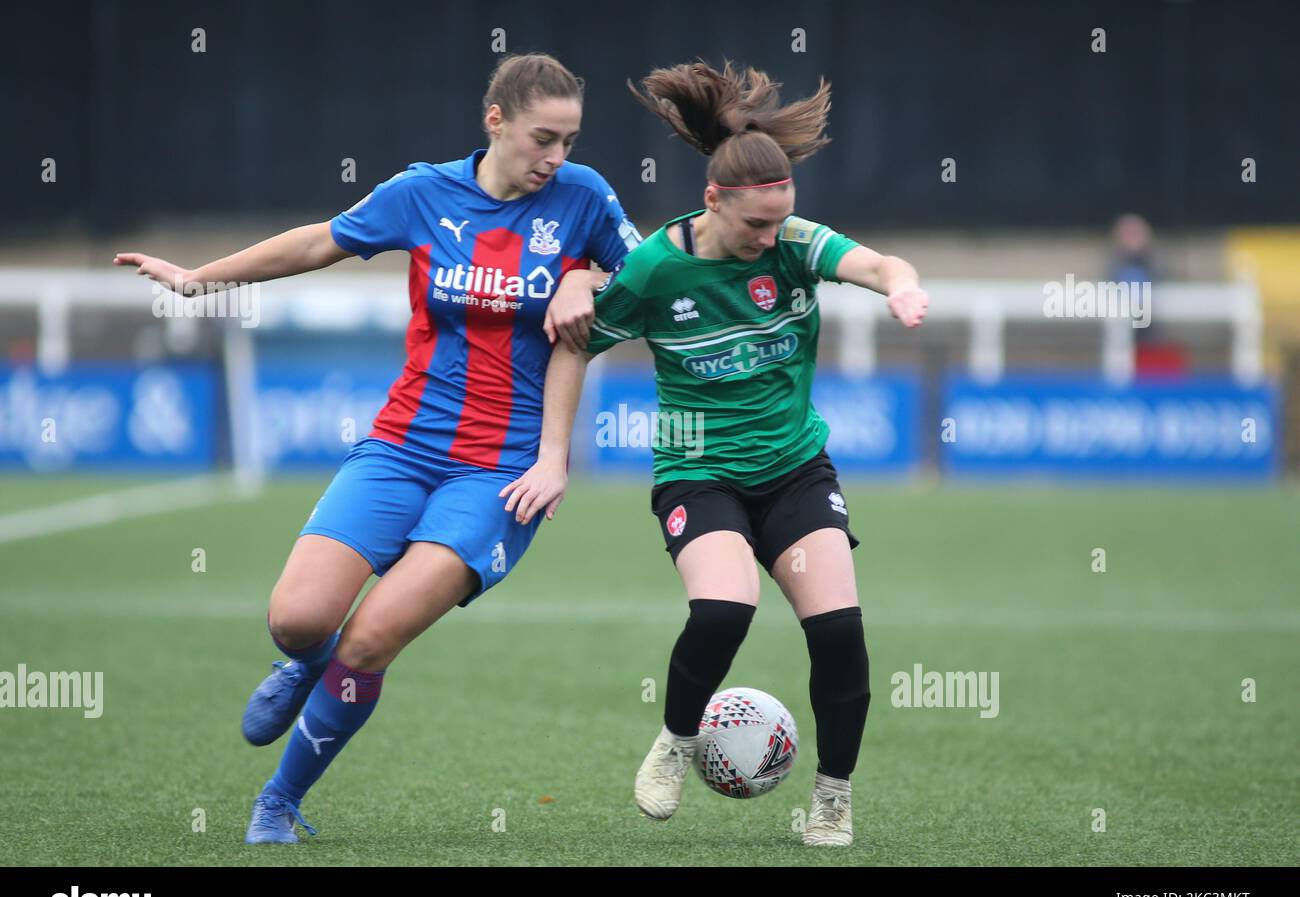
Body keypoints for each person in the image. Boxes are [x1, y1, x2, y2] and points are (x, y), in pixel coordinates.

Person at [114, 53, 640, 844]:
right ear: (495, 122)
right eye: (543, 139)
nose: (557, 158)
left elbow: (656, 283)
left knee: (371, 638)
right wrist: (199, 280)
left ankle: (279, 800)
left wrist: (589, 283)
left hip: (501, 474)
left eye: (569, 140)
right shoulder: (422, 192)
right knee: (297, 620)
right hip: (401, 446)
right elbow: (317, 243)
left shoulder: (585, 200)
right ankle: (302, 662)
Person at [501, 60, 927, 847]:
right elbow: (574, 347)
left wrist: (899, 286)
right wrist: (553, 452)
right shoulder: (659, 269)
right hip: (699, 472)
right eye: (755, 227)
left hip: (796, 469)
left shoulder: (795, 245)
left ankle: (833, 797)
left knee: (838, 632)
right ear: (712, 202)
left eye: (781, 222)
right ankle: (675, 740)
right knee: (726, 607)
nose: (771, 239)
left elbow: (875, 263)